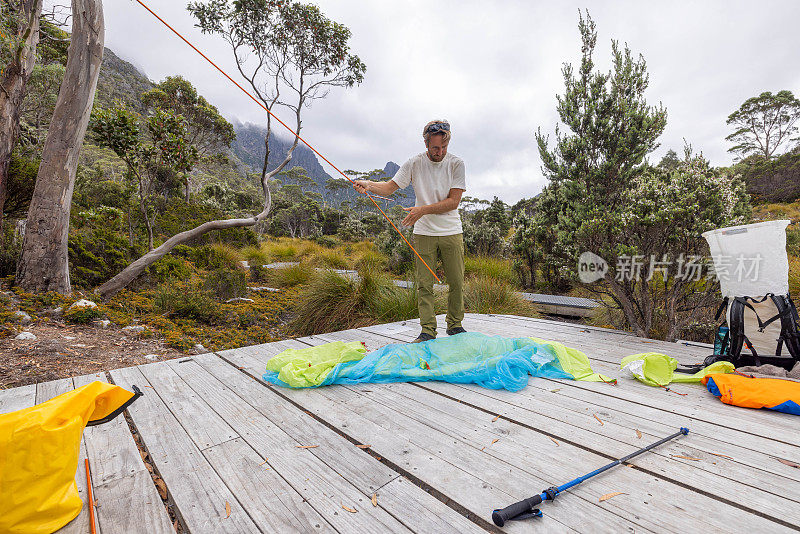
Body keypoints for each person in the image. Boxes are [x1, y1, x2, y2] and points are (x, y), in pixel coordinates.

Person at [353, 119, 467, 343]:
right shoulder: (414, 163)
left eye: (444, 147)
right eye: (435, 147)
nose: (440, 152)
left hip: (451, 231)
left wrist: (422, 210)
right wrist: (368, 184)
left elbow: (454, 202)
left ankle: (455, 326)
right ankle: (427, 331)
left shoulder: (456, 163)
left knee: (456, 282)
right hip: (424, 233)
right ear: (426, 144)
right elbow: (388, 187)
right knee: (424, 284)